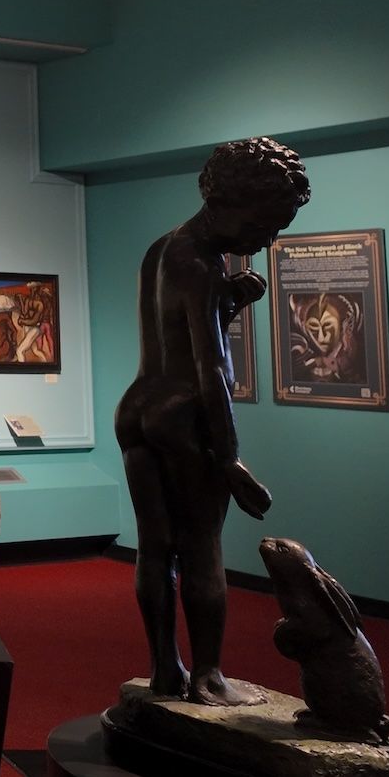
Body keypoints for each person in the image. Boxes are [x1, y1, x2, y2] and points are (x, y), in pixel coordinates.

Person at [115, 137, 308, 704]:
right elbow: (211, 371)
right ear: (227, 201)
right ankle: (209, 677)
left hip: (139, 406)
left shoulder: (163, 247)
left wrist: (230, 303)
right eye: (264, 223)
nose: (268, 239)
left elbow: (175, 329)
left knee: (155, 547)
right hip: (185, 417)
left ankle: (165, 670)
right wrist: (229, 459)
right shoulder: (202, 262)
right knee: (202, 548)